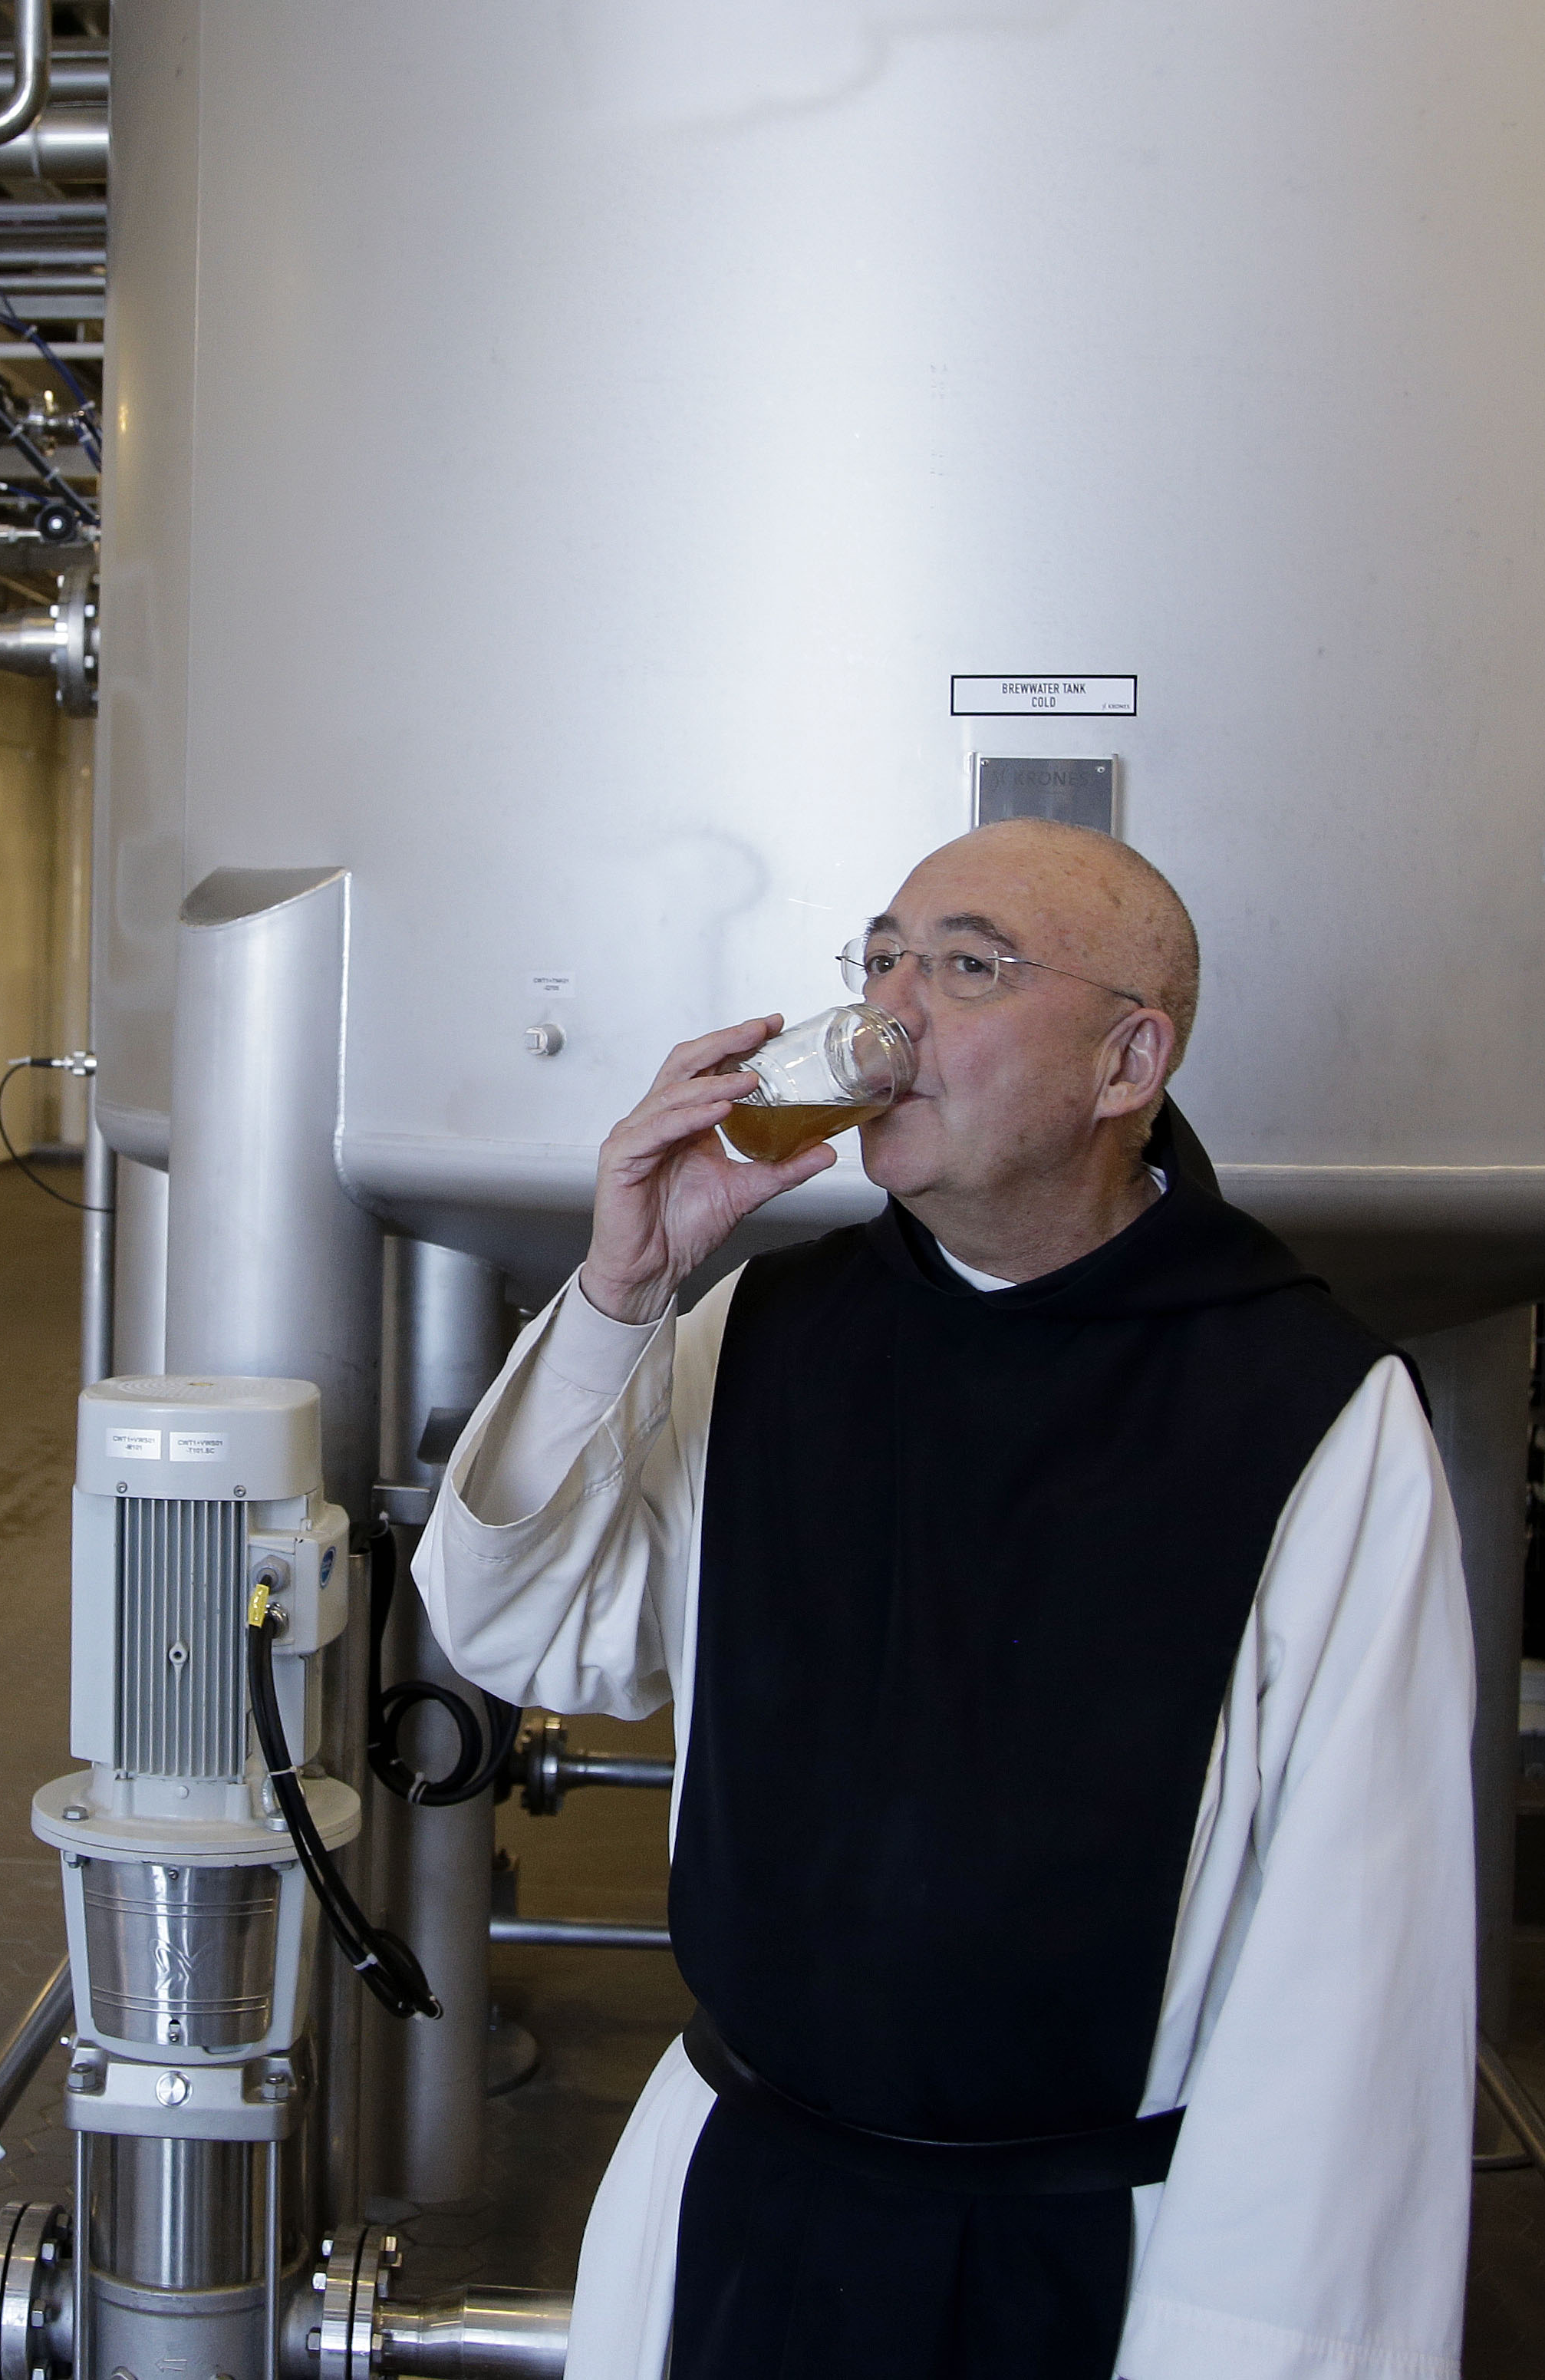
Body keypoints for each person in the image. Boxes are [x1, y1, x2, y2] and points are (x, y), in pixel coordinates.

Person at [417, 819, 1474, 2380]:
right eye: (882, 961)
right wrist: (624, 1293)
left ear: (1129, 1061)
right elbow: (527, 1631)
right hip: (744, 2203)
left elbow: (1353, 1985)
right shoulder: (773, 1327)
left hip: (1090, 2261)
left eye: (969, 967)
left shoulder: (1309, 1409)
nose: (894, 1016)